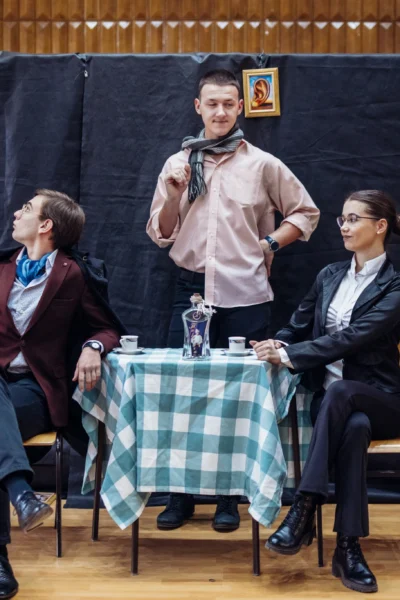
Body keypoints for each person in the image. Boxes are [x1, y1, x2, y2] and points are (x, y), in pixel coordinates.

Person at [147, 69, 320, 532]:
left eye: (228, 103)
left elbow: (306, 212)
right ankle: (180, 496)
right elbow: (162, 232)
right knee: (183, 392)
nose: (220, 112)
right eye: (212, 104)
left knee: (237, 397)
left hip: (246, 292)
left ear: (240, 108)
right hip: (190, 290)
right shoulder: (177, 163)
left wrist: (269, 244)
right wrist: (173, 195)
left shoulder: (263, 164)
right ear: (198, 107)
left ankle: (229, 498)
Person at [251, 189, 400, 594]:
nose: (344, 227)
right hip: (335, 406)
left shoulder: (395, 286)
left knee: (344, 395)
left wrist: (290, 356)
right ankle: (348, 550)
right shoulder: (329, 275)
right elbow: (296, 325)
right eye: (342, 219)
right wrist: (277, 343)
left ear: (380, 226)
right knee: (353, 426)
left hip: (385, 399)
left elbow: (353, 337)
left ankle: (304, 505)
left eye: (354, 219)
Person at [0, 189, 121, 599]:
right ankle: (22, 494)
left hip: (34, 389)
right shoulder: (1, 267)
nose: (16, 214)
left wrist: (93, 347)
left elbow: (107, 327)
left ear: (46, 225)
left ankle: (2, 549)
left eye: (26, 209)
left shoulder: (73, 273)